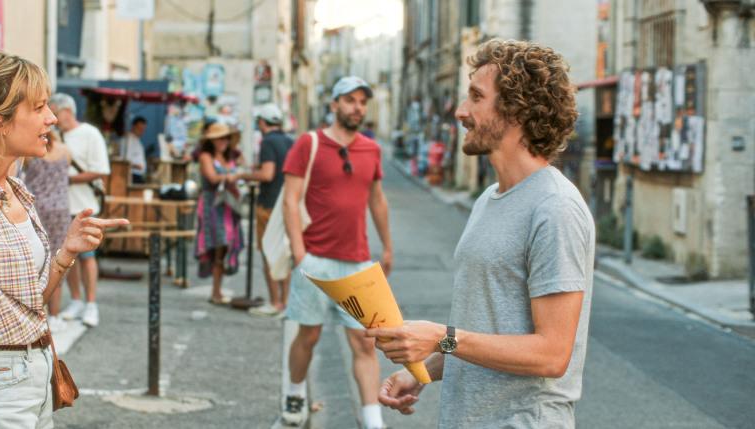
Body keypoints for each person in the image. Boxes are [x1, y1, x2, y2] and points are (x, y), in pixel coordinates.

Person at [367, 39, 593, 428]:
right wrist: (424, 370)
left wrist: (441, 337)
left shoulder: (554, 208)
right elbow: (487, 331)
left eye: (476, 97)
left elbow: (553, 355)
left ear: (517, 110)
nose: (460, 111)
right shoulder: (489, 198)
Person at [0, 49, 129, 428]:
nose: (51, 118)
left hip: (35, 378)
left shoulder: (16, 191)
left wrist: (66, 253)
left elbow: (26, 303)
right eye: (39, 107)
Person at [280, 76, 393, 429]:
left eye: (362, 101)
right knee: (309, 335)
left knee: (364, 342)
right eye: (349, 100)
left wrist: (387, 246)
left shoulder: (371, 150)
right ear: (334, 105)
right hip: (315, 259)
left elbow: (377, 199)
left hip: (357, 262)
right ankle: (294, 391)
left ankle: (373, 419)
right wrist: (300, 253)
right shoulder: (309, 143)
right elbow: (290, 200)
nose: (357, 107)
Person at [49, 92, 111, 327]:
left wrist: (67, 180)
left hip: (84, 204)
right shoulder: (56, 135)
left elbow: (100, 170)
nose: (52, 118)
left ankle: (91, 303)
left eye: (55, 112)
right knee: (67, 256)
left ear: (66, 111)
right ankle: (76, 300)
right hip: (61, 205)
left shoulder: (90, 134)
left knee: (87, 256)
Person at [237, 104, 293, 317]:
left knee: (269, 254)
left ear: (262, 122)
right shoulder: (289, 141)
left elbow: (268, 174)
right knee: (284, 255)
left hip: (269, 205)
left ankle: (275, 302)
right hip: (286, 205)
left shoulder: (267, 142)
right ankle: (286, 303)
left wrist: (242, 175)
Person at [19, 129, 72, 330]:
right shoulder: (65, 151)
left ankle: (37, 313)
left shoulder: (30, 153)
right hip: (61, 210)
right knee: (58, 261)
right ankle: (55, 315)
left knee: (36, 261)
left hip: (37, 209)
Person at [194, 122, 245, 305]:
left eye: (226, 138)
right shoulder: (205, 156)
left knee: (226, 246)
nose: (223, 141)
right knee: (219, 244)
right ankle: (216, 291)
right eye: (219, 138)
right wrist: (232, 175)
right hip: (212, 205)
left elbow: (244, 165)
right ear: (212, 140)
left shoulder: (229, 156)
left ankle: (217, 290)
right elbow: (212, 178)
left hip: (229, 205)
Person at [124, 116, 147, 183]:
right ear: (133, 127)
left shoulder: (137, 140)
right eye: (140, 128)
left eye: (143, 129)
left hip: (138, 174)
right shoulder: (129, 140)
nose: (142, 131)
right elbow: (126, 160)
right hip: (132, 175)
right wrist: (137, 166)